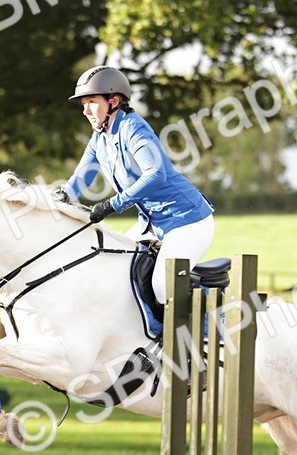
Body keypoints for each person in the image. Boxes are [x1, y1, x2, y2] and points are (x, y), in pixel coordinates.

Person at [57, 65, 215, 305]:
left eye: (91, 102)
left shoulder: (133, 128)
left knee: (163, 287)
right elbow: (81, 177)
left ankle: (213, 318)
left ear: (114, 101)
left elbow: (156, 174)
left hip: (186, 220)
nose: (85, 110)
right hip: (151, 224)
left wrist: (113, 204)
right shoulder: (100, 136)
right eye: (83, 104)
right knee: (115, 270)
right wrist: (58, 198)